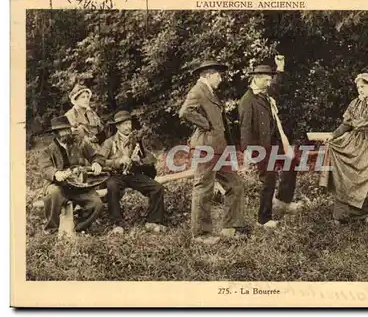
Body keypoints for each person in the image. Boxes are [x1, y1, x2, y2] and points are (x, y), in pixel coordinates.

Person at [179, 60, 245, 244]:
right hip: (205, 147)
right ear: (208, 75)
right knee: (203, 188)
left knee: (235, 185)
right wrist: (205, 124)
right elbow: (185, 112)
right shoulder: (198, 90)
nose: (221, 78)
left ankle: (230, 227)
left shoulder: (211, 93)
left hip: (219, 148)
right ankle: (201, 234)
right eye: (218, 75)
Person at [238, 55, 302, 228]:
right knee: (269, 179)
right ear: (256, 79)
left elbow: (276, 86)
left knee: (292, 160)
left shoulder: (265, 93)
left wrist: (280, 67)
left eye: (269, 80)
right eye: (265, 80)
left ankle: (283, 201)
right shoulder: (247, 101)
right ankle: (263, 219)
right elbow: (245, 128)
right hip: (261, 147)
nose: (268, 83)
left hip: (275, 142)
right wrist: (249, 151)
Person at [323, 73, 368, 221]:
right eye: (358, 87)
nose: (360, 90)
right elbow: (346, 124)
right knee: (348, 177)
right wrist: (333, 135)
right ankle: (344, 214)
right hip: (353, 142)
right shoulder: (354, 103)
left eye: (363, 86)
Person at [99, 110, 167, 234]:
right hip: (116, 175)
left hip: (134, 174)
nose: (127, 127)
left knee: (157, 188)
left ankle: (153, 221)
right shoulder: (109, 142)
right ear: (118, 126)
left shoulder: (136, 141)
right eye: (124, 124)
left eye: (128, 123)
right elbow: (100, 161)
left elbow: (150, 158)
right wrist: (118, 161)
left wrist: (140, 161)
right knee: (112, 187)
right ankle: (117, 223)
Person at [40, 116, 105, 234]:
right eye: (62, 130)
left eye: (67, 129)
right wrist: (55, 173)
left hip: (78, 184)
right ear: (56, 133)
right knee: (54, 192)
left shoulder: (79, 142)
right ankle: (51, 229)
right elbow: (45, 168)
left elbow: (97, 156)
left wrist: (97, 163)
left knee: (97, 204)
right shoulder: (48, 150)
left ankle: (79, 226)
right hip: (58, 184)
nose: (66, 132)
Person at [64, 83, 105, 149]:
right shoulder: (69, 115)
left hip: (97, 146)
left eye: (88, 97)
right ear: (75, 99)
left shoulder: (92, 114)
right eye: (83, 97)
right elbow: (69, 139)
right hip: (80, 149)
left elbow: (101, 131)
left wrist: (97, 138)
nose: (86, 100)